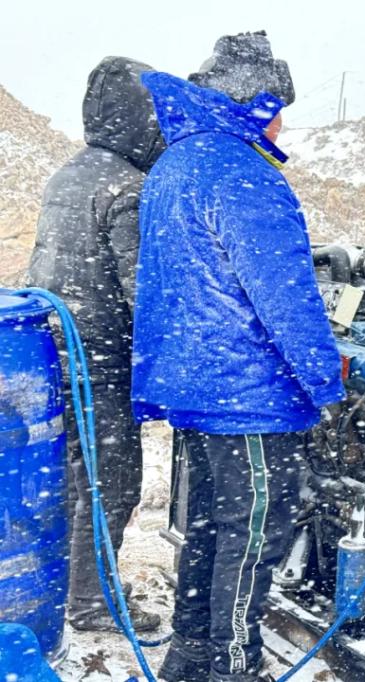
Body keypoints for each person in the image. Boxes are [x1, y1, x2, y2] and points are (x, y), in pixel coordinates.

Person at [130, 32, 345, 681]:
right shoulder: (244, 172)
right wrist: (325, 385)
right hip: (249, 395)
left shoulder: (174, 164)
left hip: (195, 387)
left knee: (207, 527)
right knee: (253, 538)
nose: (283, 126)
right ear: (256, 104)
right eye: (279, 111)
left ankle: (191, 655)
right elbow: (286, 295)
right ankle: (234, 667)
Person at [27, 56, 165, 633]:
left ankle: (69, 586)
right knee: (113, 485)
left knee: (72, 482)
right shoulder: (128, 188)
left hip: (55, 353)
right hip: (100, 360)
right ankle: (92, 603)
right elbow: (144, 294)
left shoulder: (68, 174)